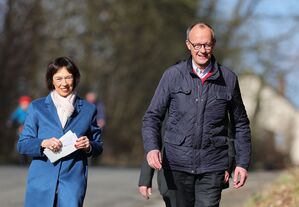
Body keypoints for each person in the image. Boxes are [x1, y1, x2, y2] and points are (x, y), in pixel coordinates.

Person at [142, 22, 251, 207]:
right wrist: (152, 148)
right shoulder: (172, 76)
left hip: (212, 167)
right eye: (197, 45)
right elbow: (152, 117)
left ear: (213, 44)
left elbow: (241, 124)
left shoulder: (229, 79)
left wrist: (241, 162)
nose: (202, 50)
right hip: (176, 166)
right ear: (188, 45)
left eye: (207, 44)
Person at [17, 57, 103, 207]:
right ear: (51, 80)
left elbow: (98, 146)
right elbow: (23, 144)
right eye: (59, 78)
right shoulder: (37, 107)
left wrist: (88, 145)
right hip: (41, 181)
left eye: (68, 77)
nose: (64, 83)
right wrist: (43, 143)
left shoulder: (89, 109)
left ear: (75, 78)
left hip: (73, 182)